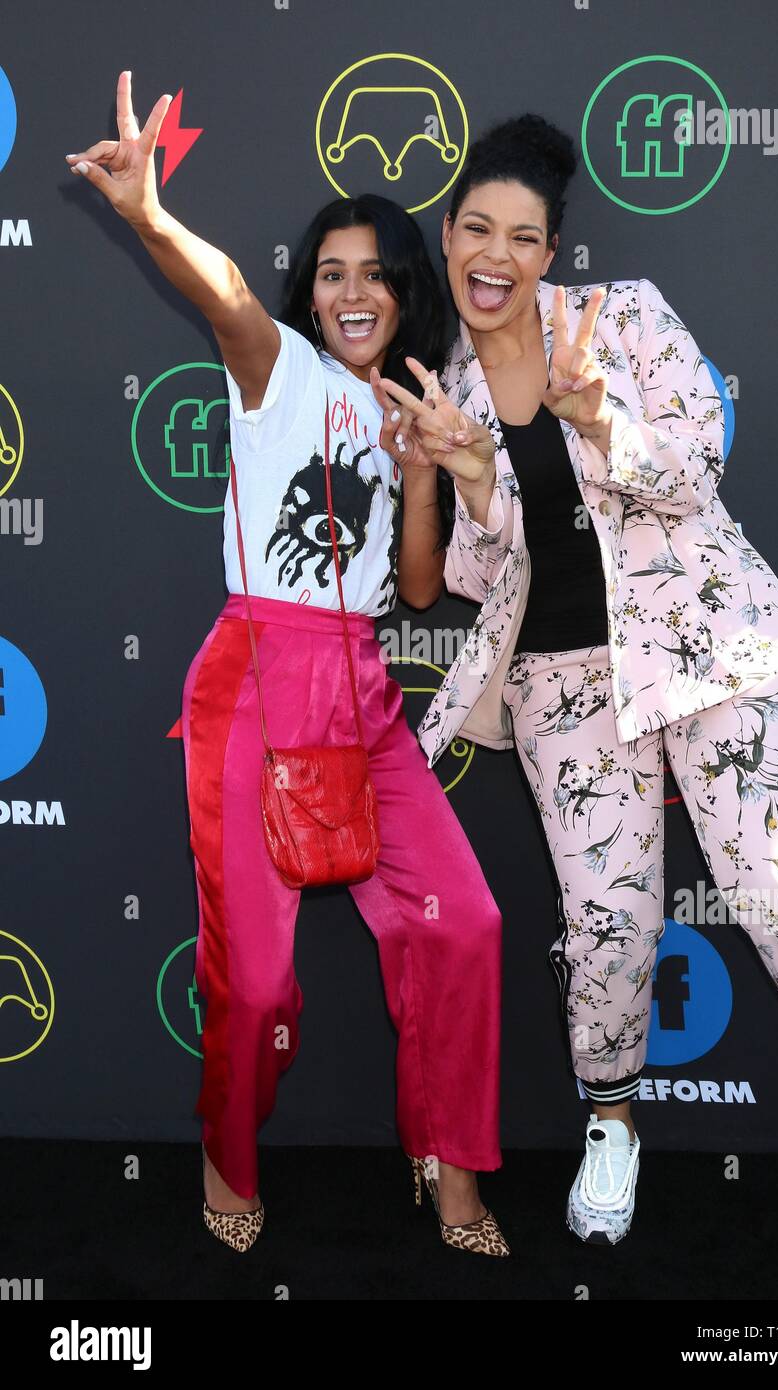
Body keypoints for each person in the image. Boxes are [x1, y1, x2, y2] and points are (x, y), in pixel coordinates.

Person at [378, 113, 778, 1246]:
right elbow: (473, 569)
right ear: (448, 237)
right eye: (475, 229)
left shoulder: (625, 319)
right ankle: (611, 1124)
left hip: (705, 647)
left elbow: (696, 469)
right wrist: (462, 473)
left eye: (523, 235)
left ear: (550, 252)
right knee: (606, 922)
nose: (493, 254)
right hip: (561, 681)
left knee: (773, 884)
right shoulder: (445, 374)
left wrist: (593, 409)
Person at [66, 69, 510, 1257]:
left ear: (403, 290)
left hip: (360, 688)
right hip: (257, 680)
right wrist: (152, 217)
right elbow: (221, 300)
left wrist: (423, 464)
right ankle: (229, 1145)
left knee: (462, 920)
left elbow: (416, 589)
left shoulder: (416, 403)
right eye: (330, 272)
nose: (352, 290)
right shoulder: (278, 373)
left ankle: (449, 1160)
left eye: (373, 271)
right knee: (256, 985)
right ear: (308, 297)